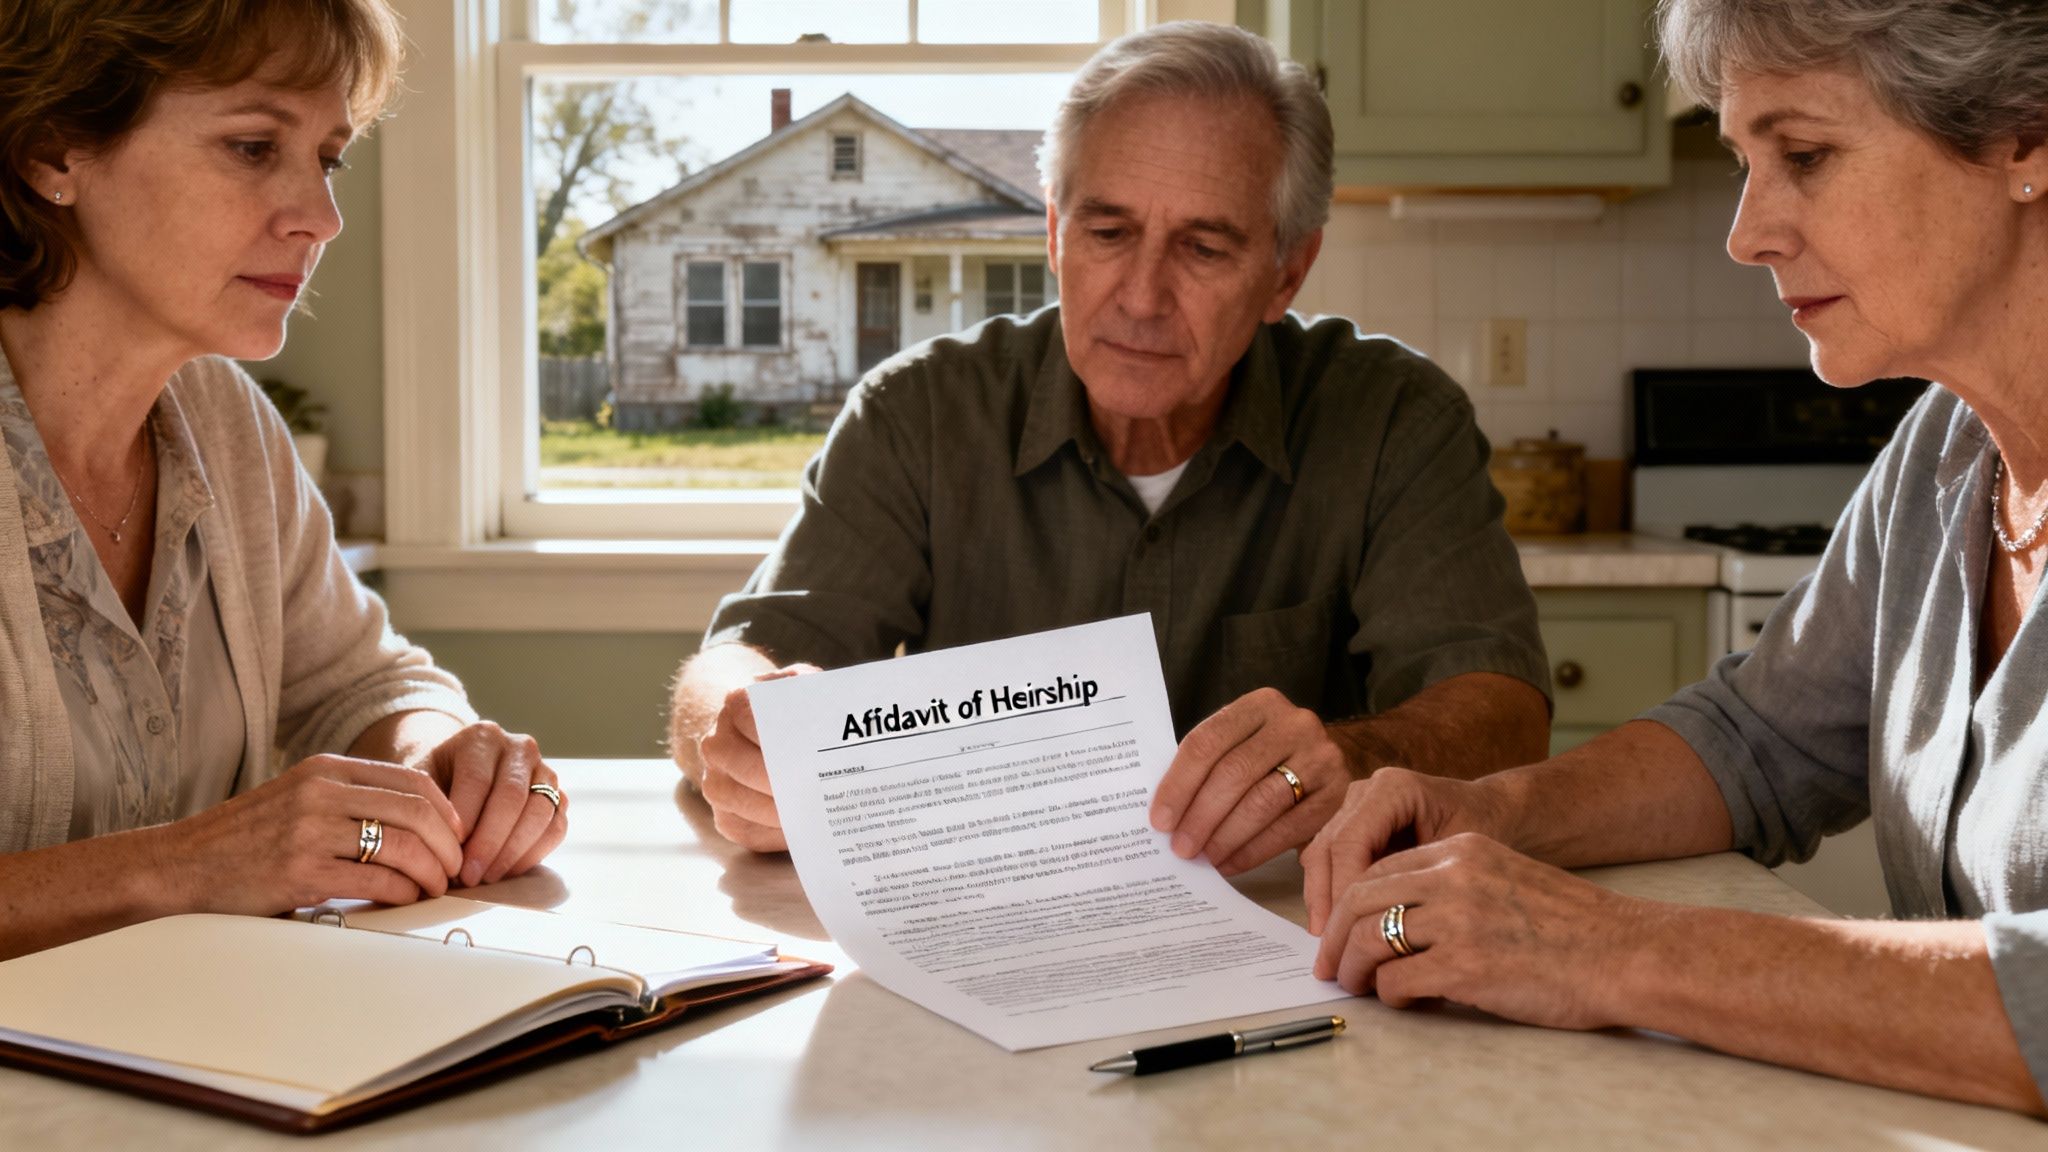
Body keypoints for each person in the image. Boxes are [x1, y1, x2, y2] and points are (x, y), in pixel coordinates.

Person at [1304, 0, 2048, 1116]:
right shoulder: (1944, 451)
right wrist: (1499, 810)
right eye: (1744, 160)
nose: (1746, 231)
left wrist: (1601, 949)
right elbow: (1756, 738)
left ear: (2023, 139)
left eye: (1802, 155)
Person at [670, 21, 1553, 871]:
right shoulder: (920, 412)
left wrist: (1348, 756)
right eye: (1107, 232)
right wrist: (744, 728)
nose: (1140, 296)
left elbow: (1504, 713)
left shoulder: (1396, 417)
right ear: (1055, 234)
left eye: (1203, 247)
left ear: (1287, 271)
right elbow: (738, 660)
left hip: (1297, 935)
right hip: (984, 926)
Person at [0, 0, 567, 961]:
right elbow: (200, 867)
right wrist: (185, 866)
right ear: (54, 152)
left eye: (328, 157)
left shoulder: (223, 425)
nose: (323, 218)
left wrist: (440, 754)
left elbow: (360, 682)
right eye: (255, 146)